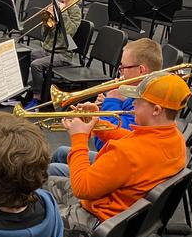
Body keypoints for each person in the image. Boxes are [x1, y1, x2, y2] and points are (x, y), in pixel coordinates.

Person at [44, 72, 190, 237]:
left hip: (98, 228)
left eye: (138, 100)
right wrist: (97, 122)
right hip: (121, 222)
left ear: (156, 110)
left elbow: (82, 188)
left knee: (27, 212)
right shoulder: (174, 138)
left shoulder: (126, 153)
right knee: (41, 182)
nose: (133, 103)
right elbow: (130, 138)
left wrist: (79, 138)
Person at [48, 38, 163, 177]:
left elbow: (104, 146)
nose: (120, 73)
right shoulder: (133, 94)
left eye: (123, 68)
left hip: (117, 166)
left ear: (141, 70)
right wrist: (104, 108)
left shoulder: (144, 104)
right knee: (60, 152)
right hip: (117, 160)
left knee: (51, 170)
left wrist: (112, 100)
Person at [27, 0, 84, 105]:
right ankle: (29, 89)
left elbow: (69, 31)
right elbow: (44, 34)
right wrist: (47, 19)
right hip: (47, 49)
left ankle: (37, 97)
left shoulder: (75, 11)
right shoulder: (58, 6)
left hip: (63, 54)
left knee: (36, 65)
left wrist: (62, 13)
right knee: (26, 56)